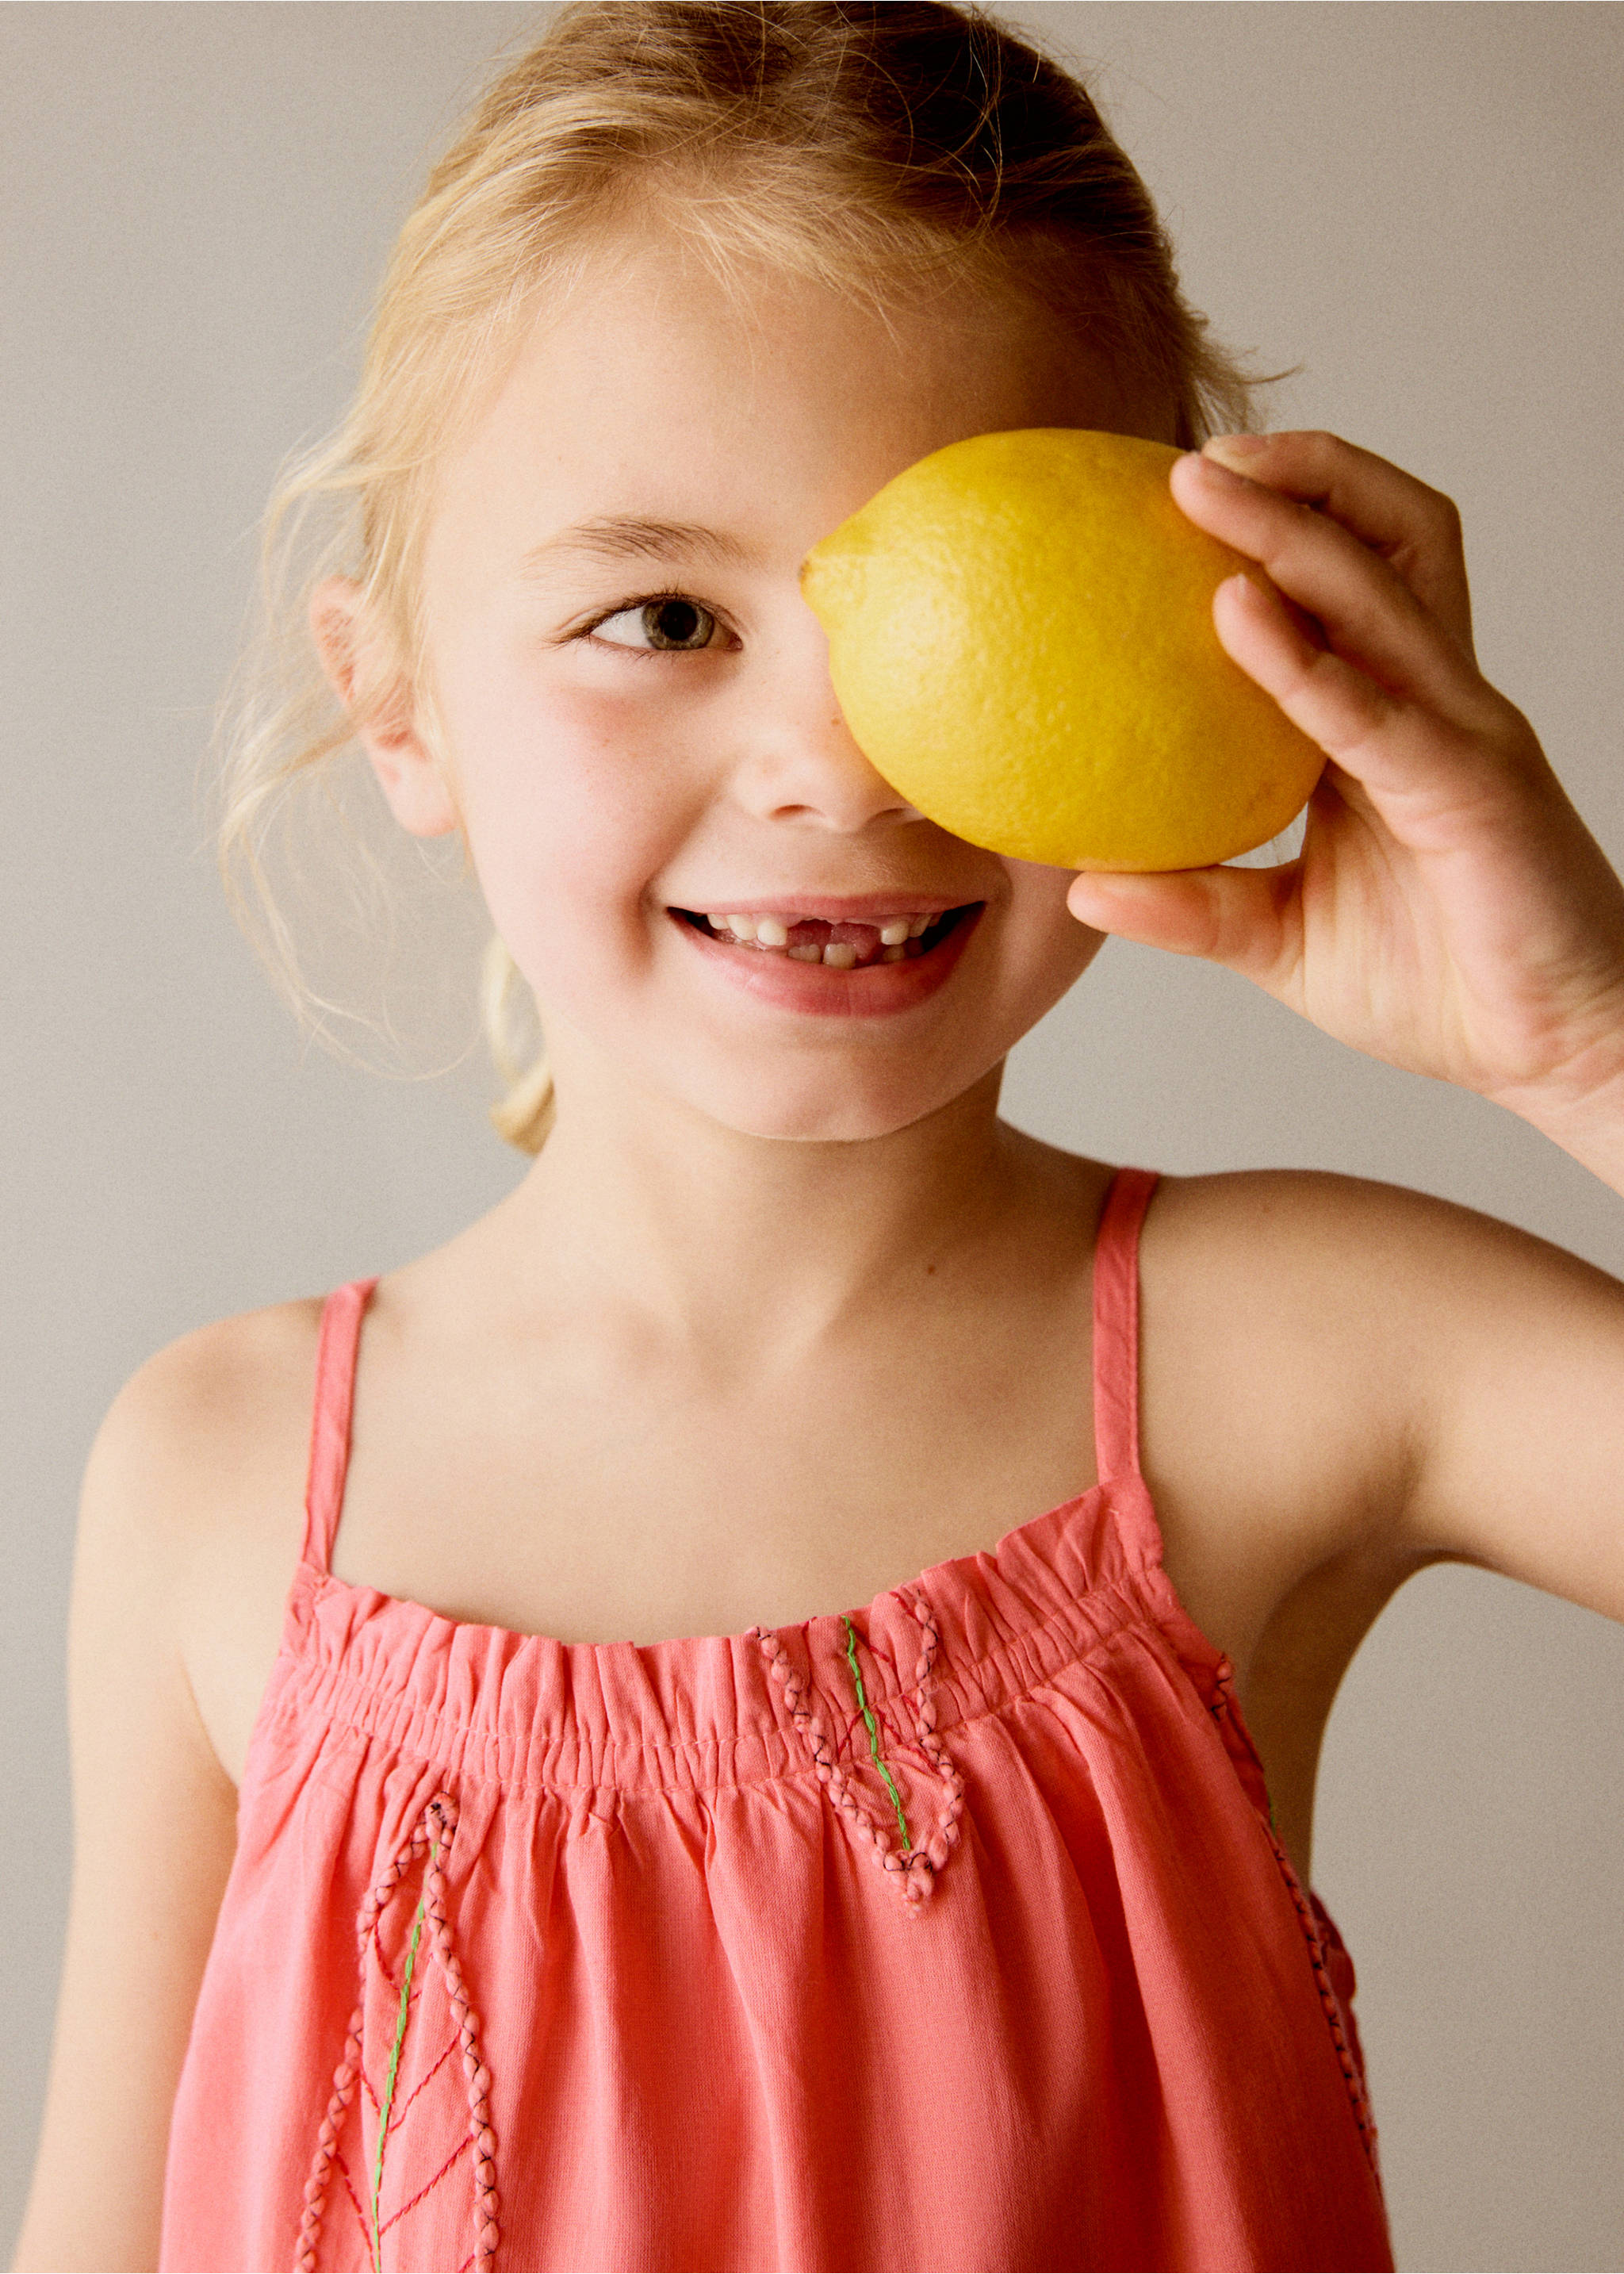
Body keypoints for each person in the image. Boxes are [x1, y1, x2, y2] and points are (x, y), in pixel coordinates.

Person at [14, 4, 1624, 2270]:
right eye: (664, 616)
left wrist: (1584, 1037)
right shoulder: (215, 1476)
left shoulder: (1299, 1355)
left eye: (965, 604)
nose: (840, 772)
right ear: (397, 701)